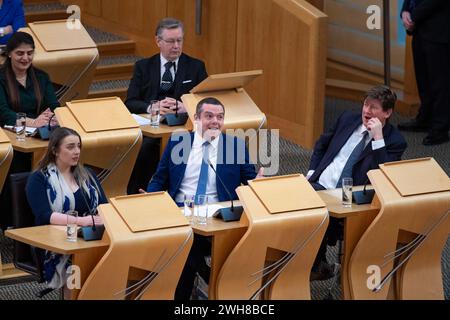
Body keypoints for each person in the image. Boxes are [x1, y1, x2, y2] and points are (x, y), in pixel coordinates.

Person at [147, 97, 263, 299]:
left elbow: (251, 181)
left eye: (220, 117)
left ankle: (198, 285)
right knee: (186, 243)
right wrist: (149, 199)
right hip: (181, 212)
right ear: (196, 118)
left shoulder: (234, 146)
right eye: (209, 116)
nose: (215, 122)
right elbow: (159, 179)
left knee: (188, 249)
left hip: (218, 216)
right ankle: (211, 279)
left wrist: (261, 183)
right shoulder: (178, 143)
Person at [307, 85, 407, 280]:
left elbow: (382, 176)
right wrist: (312, 173)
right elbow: (321, 145)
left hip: (349, 198)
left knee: (313, 214)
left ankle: (311, 267)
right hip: (320, 184)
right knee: (286, 206)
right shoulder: (347, 119)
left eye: (374, 107)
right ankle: (308, 265)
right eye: (365, 104)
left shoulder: (395, 141)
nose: (367, 111)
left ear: (387, 112)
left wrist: (377, 138)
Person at [125, 18, 208, 194]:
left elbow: (206, 103)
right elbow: (130, 101)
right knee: (145, 149)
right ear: (158, 41)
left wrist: (185, 105)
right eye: (171, 41)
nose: (176, 46)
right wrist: (152, 107)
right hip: (151, 129)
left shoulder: (196, 67)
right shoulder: (143, 67)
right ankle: (139, 193)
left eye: (180, 40)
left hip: (184, 128)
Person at [26, 127, 107, 290]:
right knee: (75, 267)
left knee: (113, 257)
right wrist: (81, 221)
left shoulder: (87, 175)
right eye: (70, 147)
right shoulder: (39, 178)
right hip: (54, 241)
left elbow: (104, 208)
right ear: (55, 150)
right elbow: (44, 216)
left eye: (78, 146)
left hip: (89, 237)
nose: (76, 151)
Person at [0, 31, 60, 229]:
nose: (25, 58)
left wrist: (47, 119)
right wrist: (32, 121)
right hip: (9, 137)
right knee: (18, 162)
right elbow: (3, 113)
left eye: (29, 53)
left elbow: (54, 106)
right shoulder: (1, 78)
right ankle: (13, 221)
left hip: (40, 136)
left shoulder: (41, 77)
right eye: (20, 53)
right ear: (9, 54)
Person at [397, 0, 450, 145]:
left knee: (440, 83)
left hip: (439, 30)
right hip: (419, 30)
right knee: (423, 80)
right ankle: (425, 119)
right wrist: (405, 10)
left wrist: (413, 16)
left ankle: (440, 128)